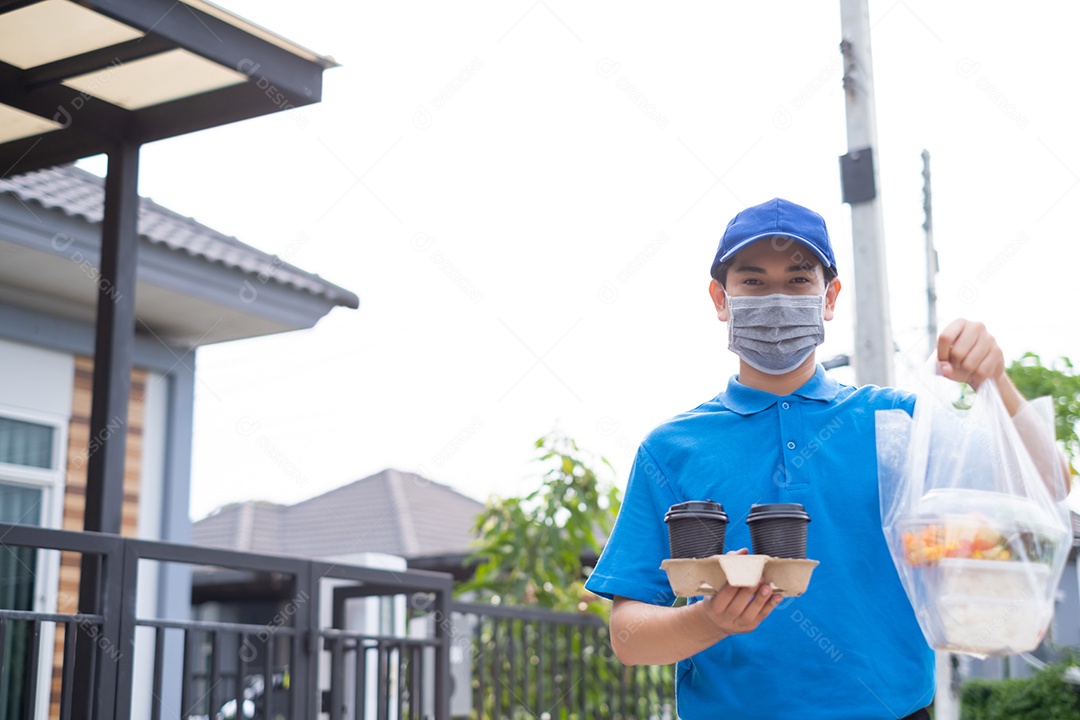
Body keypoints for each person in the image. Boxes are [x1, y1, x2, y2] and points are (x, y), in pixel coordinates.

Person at [583, 198, 1068, 719]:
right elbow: (629, 637)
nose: (776, 297)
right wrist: (710, 621)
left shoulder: (896, 423)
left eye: (797, 281)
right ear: (720, 299)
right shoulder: (672, 449)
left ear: (829, 296)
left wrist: (996, 381)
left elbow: (1048, 481)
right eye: (752, 281)